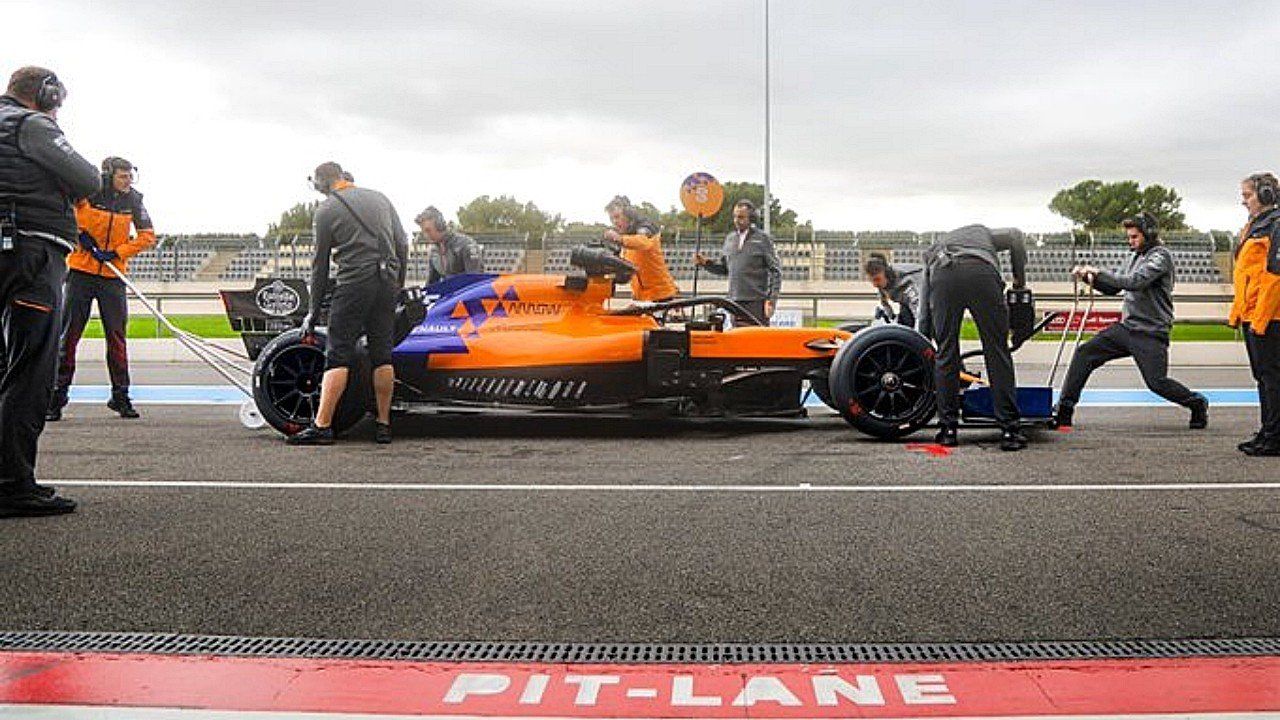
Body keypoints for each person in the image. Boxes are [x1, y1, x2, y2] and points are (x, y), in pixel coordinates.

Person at [0, 66, 100, 517]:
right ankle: (12, 484)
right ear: (47, 94)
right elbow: (88, 179)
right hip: (29, 253)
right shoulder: (32, 124)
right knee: (30, 369)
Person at [288, 162, 408, 446]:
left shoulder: (327, 210)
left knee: (338, 353)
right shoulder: (380, 197)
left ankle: (322, 425)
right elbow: (402, 243)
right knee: (382, 354)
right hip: (386, 281)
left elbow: (320, 266)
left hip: (354, 283)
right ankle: (383, 425)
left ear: (322, 182)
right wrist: (398, 281)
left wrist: (312, 311)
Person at [1054, 213, 1208, 430]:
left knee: (1157, 383)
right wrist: (1091, 279)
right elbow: (1115, 287)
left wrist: (1099, 271)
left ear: (1149, 234)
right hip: (1127, 328)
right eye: (1129, 237)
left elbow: (1136, 282)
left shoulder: (1160, 257)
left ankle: (1196, 402)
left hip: (1151, 331)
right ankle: (1064, 411)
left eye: (1135, 237)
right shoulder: (1133, 256)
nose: (1131, 241)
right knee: (1085, 353)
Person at [47, 156, 156, 421]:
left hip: (112, 276)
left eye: (131, 176)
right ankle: (56, 397)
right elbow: (65, 214)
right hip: (81, 274)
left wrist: (118, 252)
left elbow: (147, 235)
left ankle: (120, 396)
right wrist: (80, 236)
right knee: (69, 337)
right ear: (108, 176)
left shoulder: (134, 200)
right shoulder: (87, 193)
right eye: (123, 176)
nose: (128, 181)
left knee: (117, 338)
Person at [922, 224, 1029, 451]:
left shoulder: (935, 247)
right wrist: (1020, 281)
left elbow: (925, 295)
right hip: (980, 272)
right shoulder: (987, 233)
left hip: (943, 275)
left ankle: (948, 429)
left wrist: (923, 334)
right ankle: (1009, 430)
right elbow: (1016, 236)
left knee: (946, 352)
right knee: (996, 350)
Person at [1228, 172, 1280, 456]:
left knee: (1272, 377)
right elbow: (1246, 274)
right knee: (1263, 376)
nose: (1243, 201)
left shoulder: (1276, 226)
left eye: (1248, 195)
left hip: (1270, 316)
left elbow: (1274, 277)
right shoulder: (1256, 226)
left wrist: (1260, 318)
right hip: (1254, 313)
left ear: (1266, 194)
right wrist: (1240, 313)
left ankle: (1274, 436)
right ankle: (1267, 430)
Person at [693, 199, 782, 326]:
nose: (736, 220)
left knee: (756, 340)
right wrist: (706, 263)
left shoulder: (763, 239)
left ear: (751, 218)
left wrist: (771, 300)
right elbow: (725, 269)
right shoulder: (730, 239)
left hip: (756, 303)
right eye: (735, 217)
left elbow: (776, 271)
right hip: (734, 302)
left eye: (741, 217)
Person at [602, 195, 678, 303]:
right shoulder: (625, 238)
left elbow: (643, 243)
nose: (614, 222)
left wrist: (619, 238)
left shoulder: (646, 228)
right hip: (641, 296)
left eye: (617, 217)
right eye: (612, 219)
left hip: (659, 296)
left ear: (628, 215)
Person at [417, 206, 482, 284]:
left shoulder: (467, 245)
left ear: (439, 225)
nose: (426, 235)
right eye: (424, 232)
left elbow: (474, 280)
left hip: (467, 293)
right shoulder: (434, 251)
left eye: (428, 230)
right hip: (449, 293)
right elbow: (431, 283)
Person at [864, 251, 926, 332]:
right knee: (903, 322)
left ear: (886, 274)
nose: (874, 285)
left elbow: (919, 311)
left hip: (930, 295)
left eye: (877, 279)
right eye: (871, 280)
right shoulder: (883, 283)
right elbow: (884, 302)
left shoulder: (907, 283)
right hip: (906, 303)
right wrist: (891, 317)